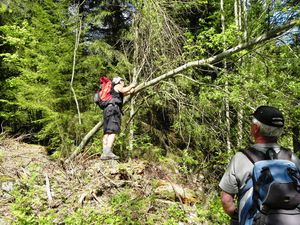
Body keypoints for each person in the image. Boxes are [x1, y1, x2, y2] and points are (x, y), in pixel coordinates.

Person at [219, 105, 300, 225]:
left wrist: (238, 216)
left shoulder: (241, 158)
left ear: (255, 128)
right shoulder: (292, 159)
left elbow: (226, 200)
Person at [100, 76, 135, 160]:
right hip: (113, 110)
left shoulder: (113, 91)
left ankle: (104, 152)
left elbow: (126, 92)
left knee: (107, 132)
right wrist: (132, 85)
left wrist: (131, 90)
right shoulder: (117, 86)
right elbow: (124, 90)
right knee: (113, 131)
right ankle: (108, 152)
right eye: (123, 81)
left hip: (107, 110)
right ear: (119, 81)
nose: (123, 83)